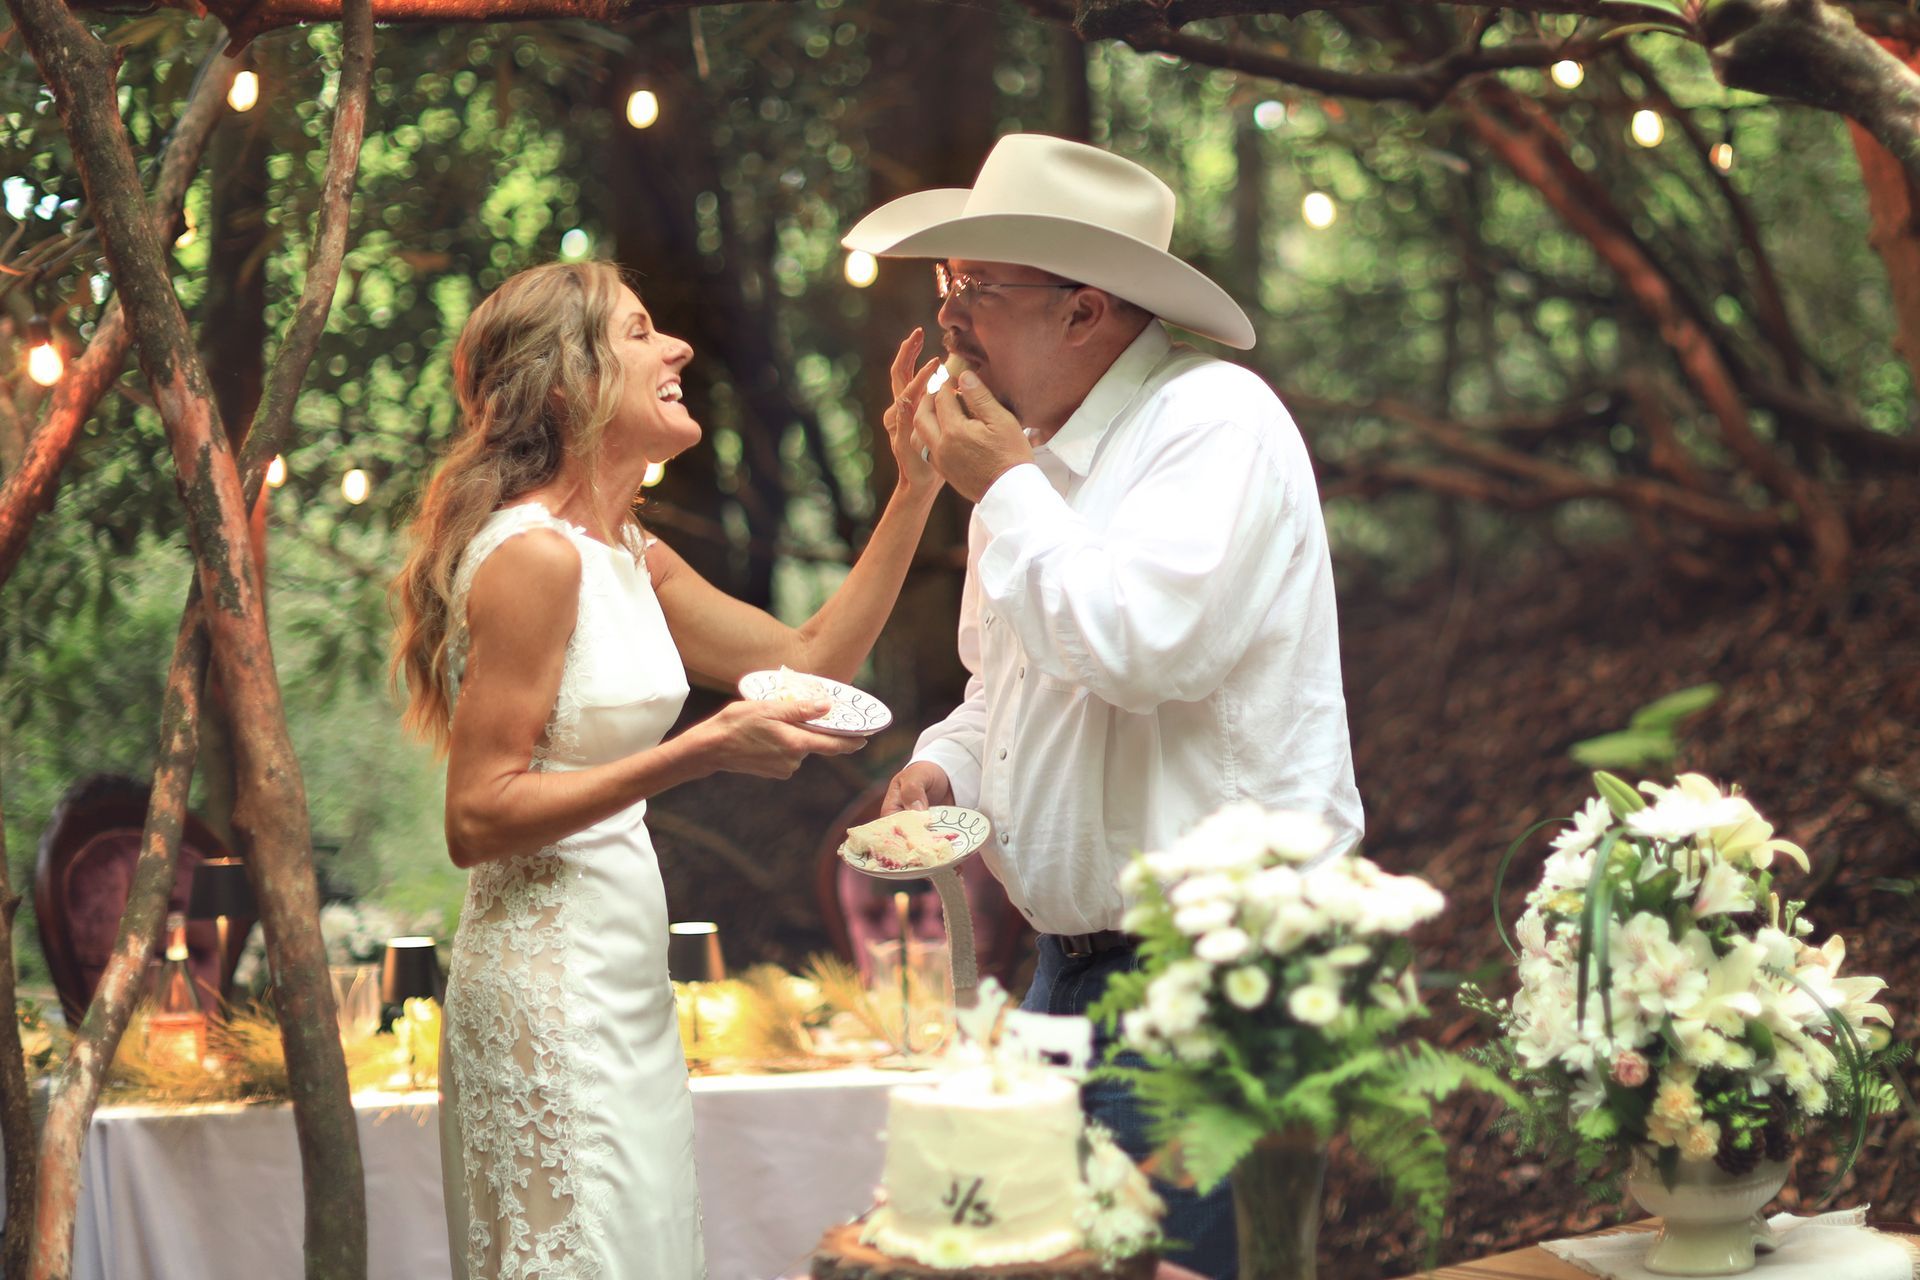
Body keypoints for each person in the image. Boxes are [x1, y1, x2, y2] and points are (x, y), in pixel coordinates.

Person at [847, 134, 1365, 1279]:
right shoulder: (1022, 461)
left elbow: (1145, 644)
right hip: (1063, 973)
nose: (952, 320)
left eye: (978, 289)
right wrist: (952, 767)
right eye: (948, 287)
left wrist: (1005, 490)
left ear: (1085, 311)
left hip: (1213, 979)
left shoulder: (1214, 420)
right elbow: (1011, 683)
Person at [390, 260, 943, 1280]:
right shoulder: (535, 558)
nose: (677, 348)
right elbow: (475, 816)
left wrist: (916, 485)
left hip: (622, 981)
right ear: (566, 382)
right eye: (640, 331)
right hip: (548, 988)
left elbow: (811, 660)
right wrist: (694, 750)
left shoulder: (627, 554)